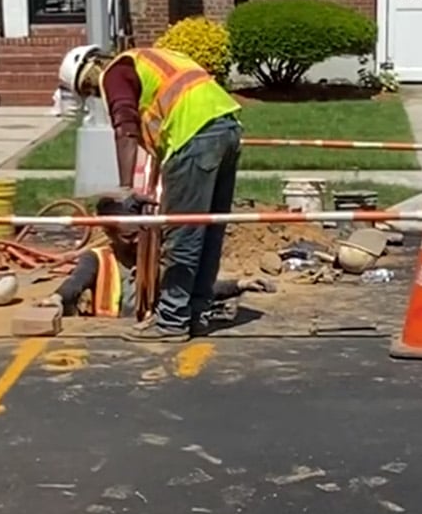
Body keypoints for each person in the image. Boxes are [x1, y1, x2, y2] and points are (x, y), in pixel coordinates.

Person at [58, 44, 243, 341]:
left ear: (89, 75)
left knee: (182, 234)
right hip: (227, 127)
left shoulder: (115, 72)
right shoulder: (154, 59)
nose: (96, 96)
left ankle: (171, 320)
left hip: (193, 135)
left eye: (89, 91)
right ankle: (196, 313)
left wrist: (125, 191)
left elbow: (126, 130)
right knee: (209, 229)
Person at [42, 191, 274, 320]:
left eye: (138, 235)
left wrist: (240, 284)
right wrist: (56, 298)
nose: (135, 242)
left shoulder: (154, 259)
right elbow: (75, 282)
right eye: (127, 237)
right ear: (109, 234)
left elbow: (186, 288)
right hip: (107, 336)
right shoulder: (97, 259)